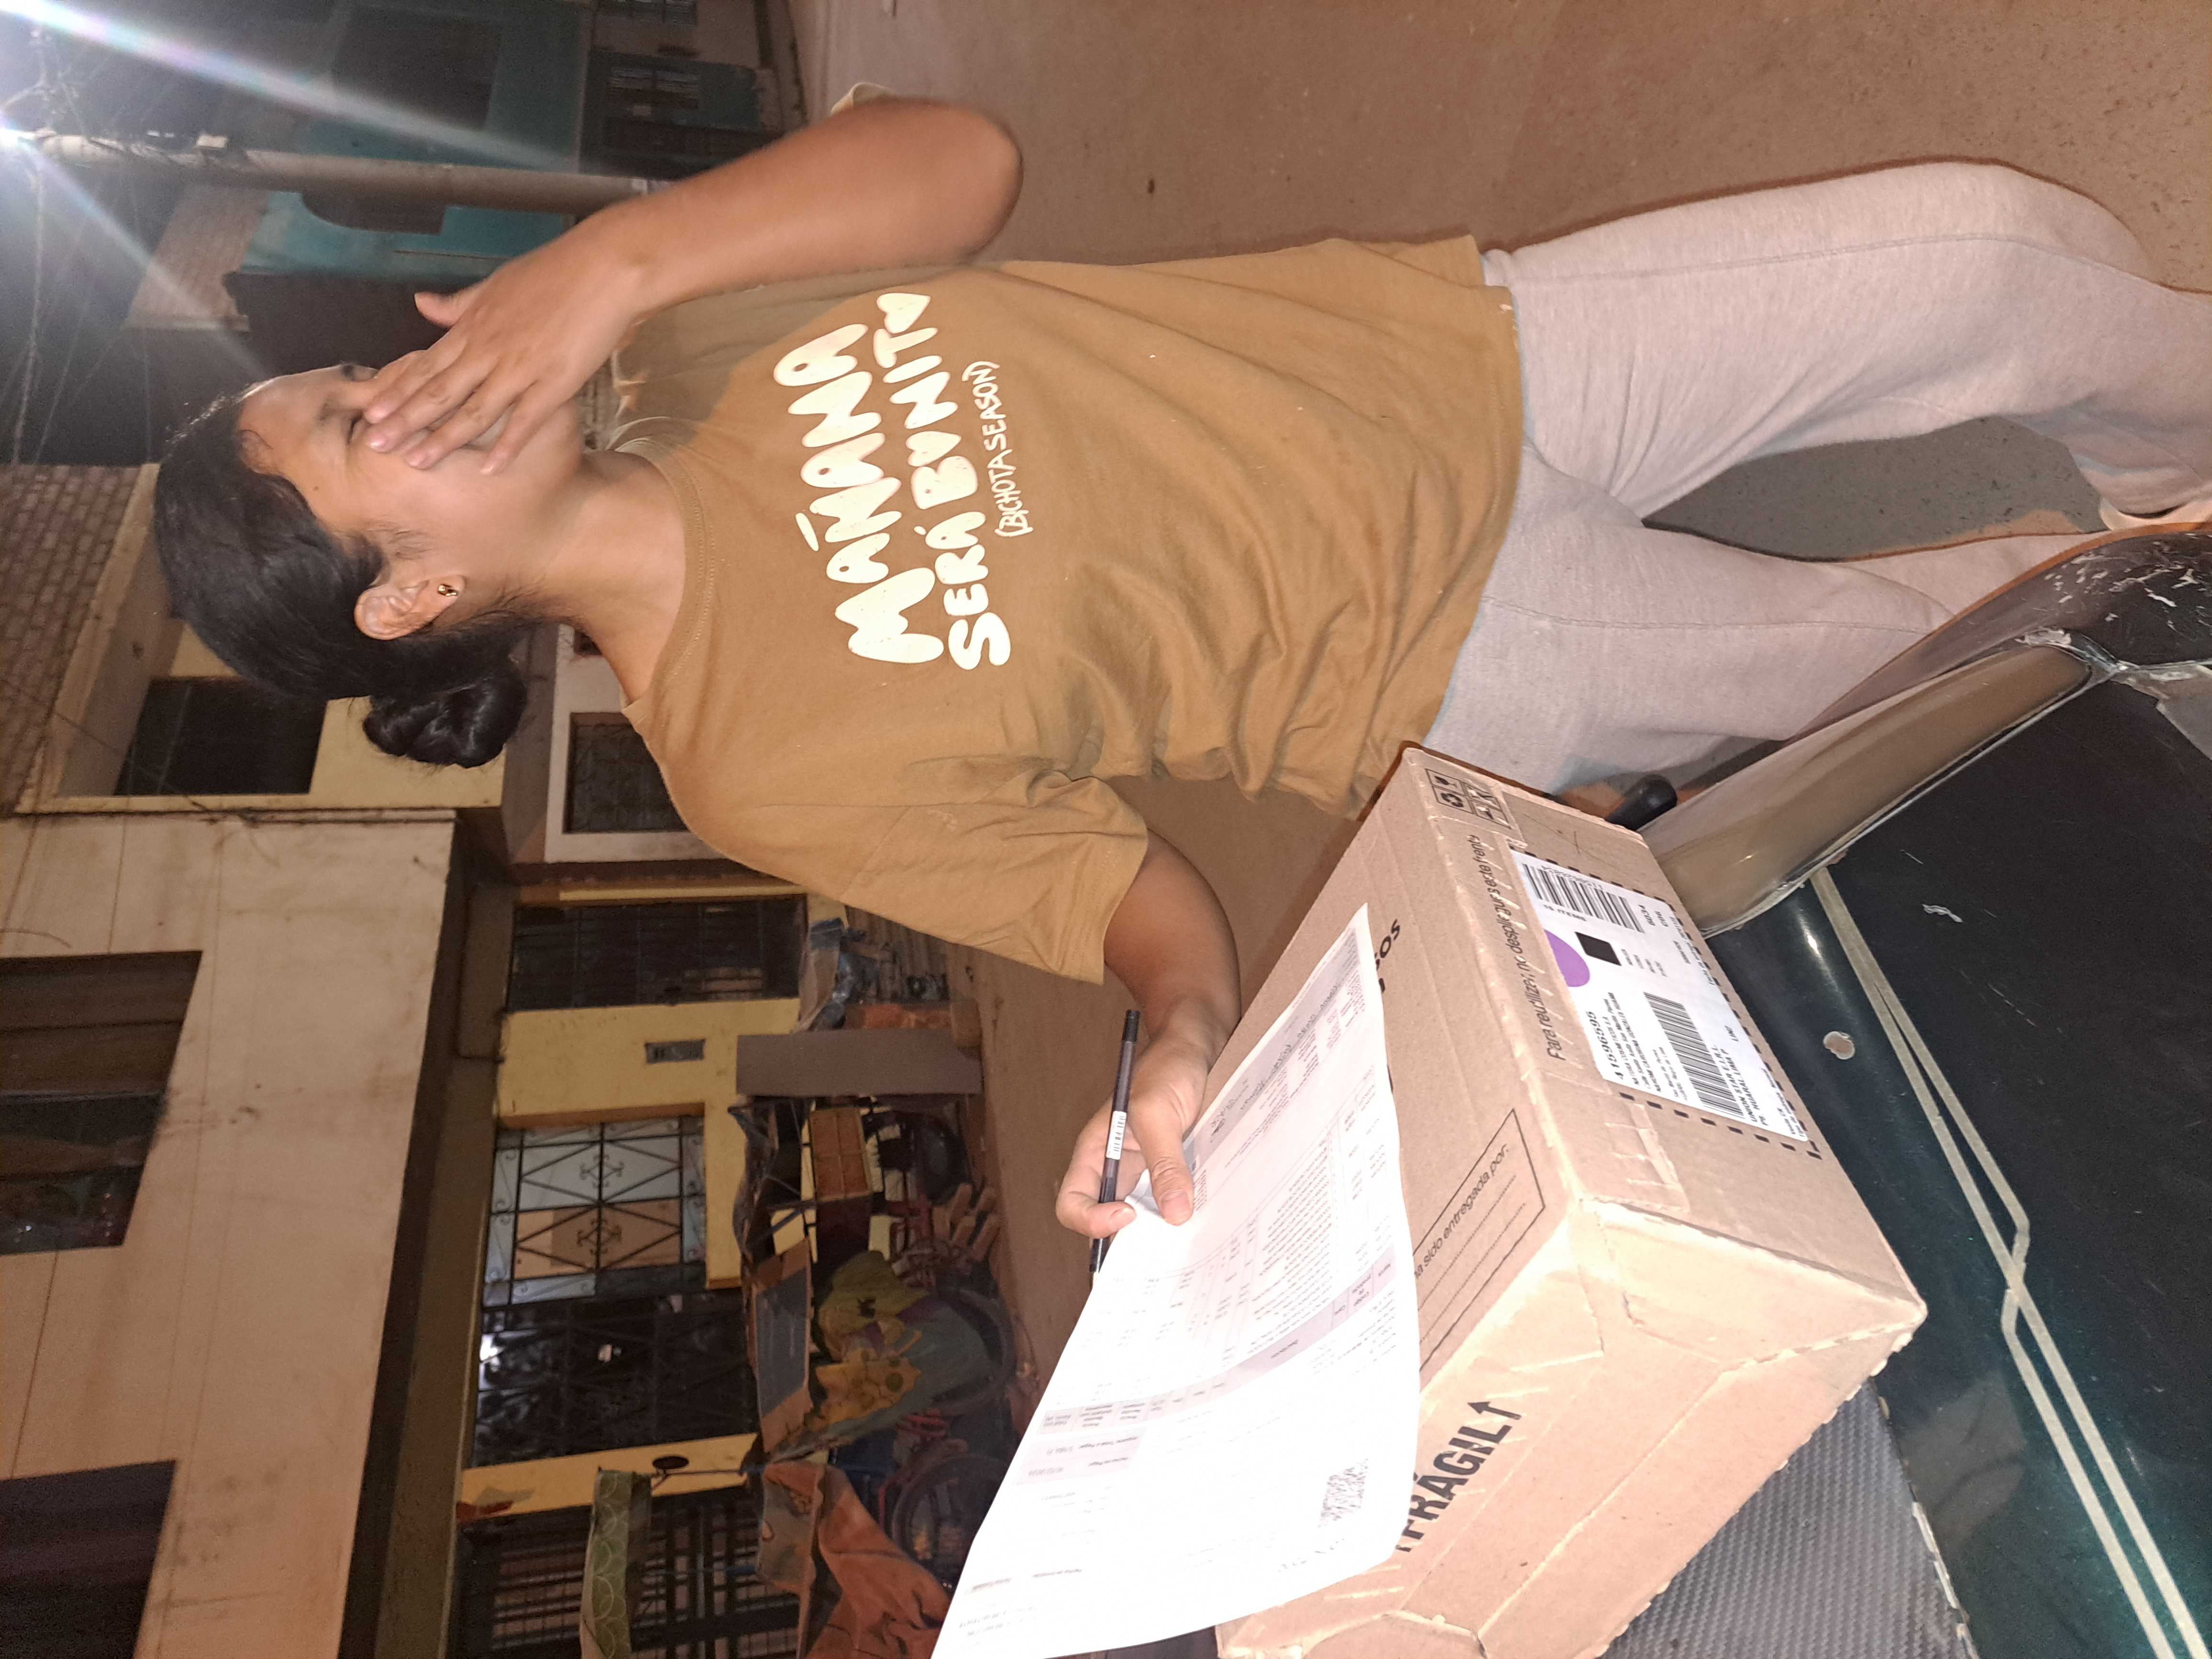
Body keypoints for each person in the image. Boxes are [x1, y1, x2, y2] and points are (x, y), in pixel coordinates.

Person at [153, 95, 2212, 1253]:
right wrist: (1182, 1033)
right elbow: (1123, 894)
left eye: (362, 369)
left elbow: (959, 161)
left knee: (1991, 257)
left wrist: (615, 256)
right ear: (411, 598)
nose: (407, 380)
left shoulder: (677, 339)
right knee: (1990, 644)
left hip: (1445, 352)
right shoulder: (745, 763)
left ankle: (2170, 440)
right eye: (359, 431)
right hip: (1461, 646)